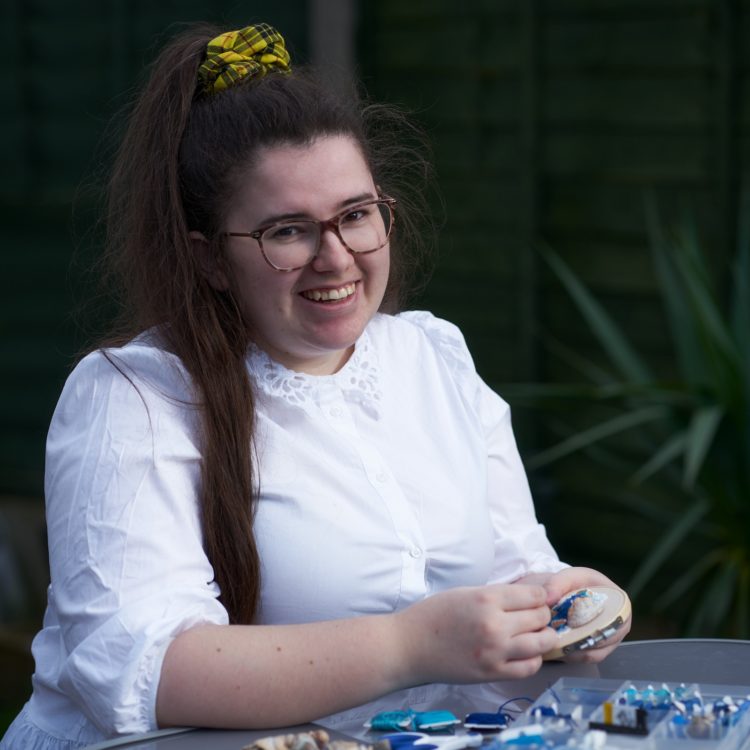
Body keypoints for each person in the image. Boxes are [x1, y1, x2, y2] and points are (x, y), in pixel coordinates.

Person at [0, 22, 631, 750]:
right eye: (288, 231)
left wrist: (573, 600)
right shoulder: (137, 397)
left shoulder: (434, 355)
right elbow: (144, 670)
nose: (336, 259)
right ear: (208, 259)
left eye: (356, 216)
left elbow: (520, 572)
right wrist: (408, 647)